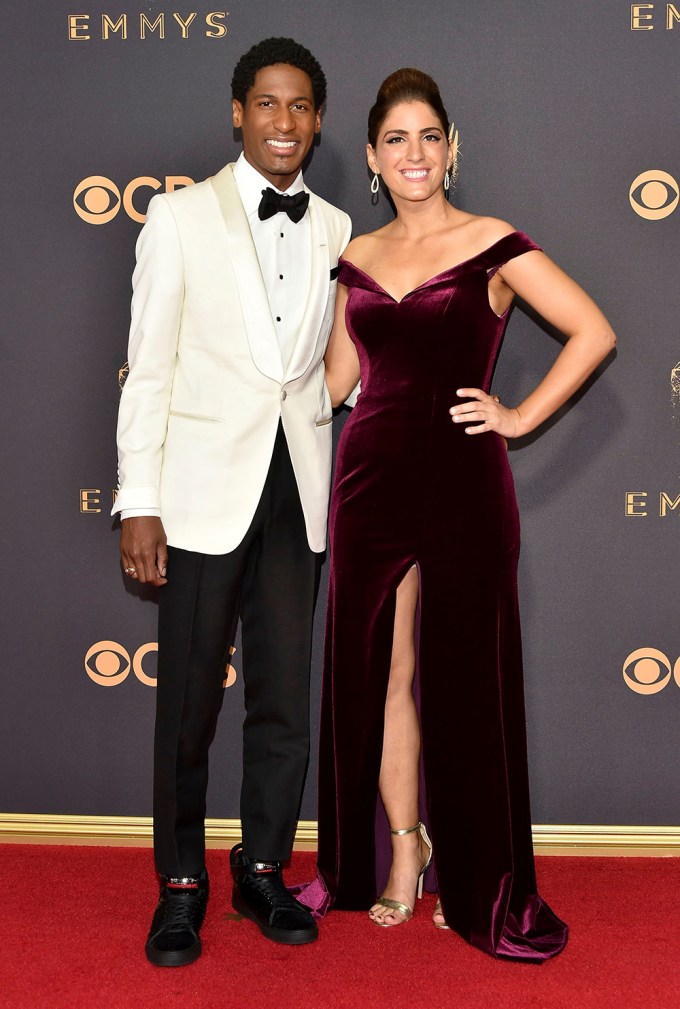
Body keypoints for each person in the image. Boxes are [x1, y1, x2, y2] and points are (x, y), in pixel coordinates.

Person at [316, 68, 615, 961]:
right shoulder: (355, 257)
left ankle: (481, 874)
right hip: (367, 480)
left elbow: (593, 330)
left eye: (428, 136)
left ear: (452, 148)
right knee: (387, 673)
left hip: (461, 482)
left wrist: (518, 415)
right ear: (371, 157)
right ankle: (405, 852)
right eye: (395, 140)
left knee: (465, 679)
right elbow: (334, 383)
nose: (414, 153)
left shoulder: (492, 244)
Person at [112, 37, 351, 964]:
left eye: (300, 107)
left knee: (284, 699)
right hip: (200, 493)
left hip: (298, 487)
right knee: (188, 708)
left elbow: (337, 364)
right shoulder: (177, 219)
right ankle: (180, 884)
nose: (283, 122)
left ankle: (261, 868)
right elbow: (148, 368)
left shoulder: (335, 228)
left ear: (319, 120)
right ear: (239, 112)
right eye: (267, 104)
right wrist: (139, 497)